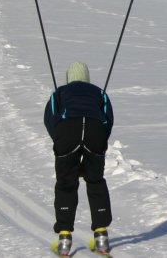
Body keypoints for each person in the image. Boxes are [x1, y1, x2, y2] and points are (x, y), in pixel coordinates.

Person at [44, 61, 114, 256]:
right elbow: (108, 119)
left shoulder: (60, 93)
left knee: (66, 183)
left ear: (69, 78)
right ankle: (101, 239)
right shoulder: (99, 93)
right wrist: (99, 145)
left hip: (67, 131)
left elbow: (49, 118)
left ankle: (64, 241)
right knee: (95, 180)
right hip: (95, 131)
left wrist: (60, 142)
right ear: (87, 78)